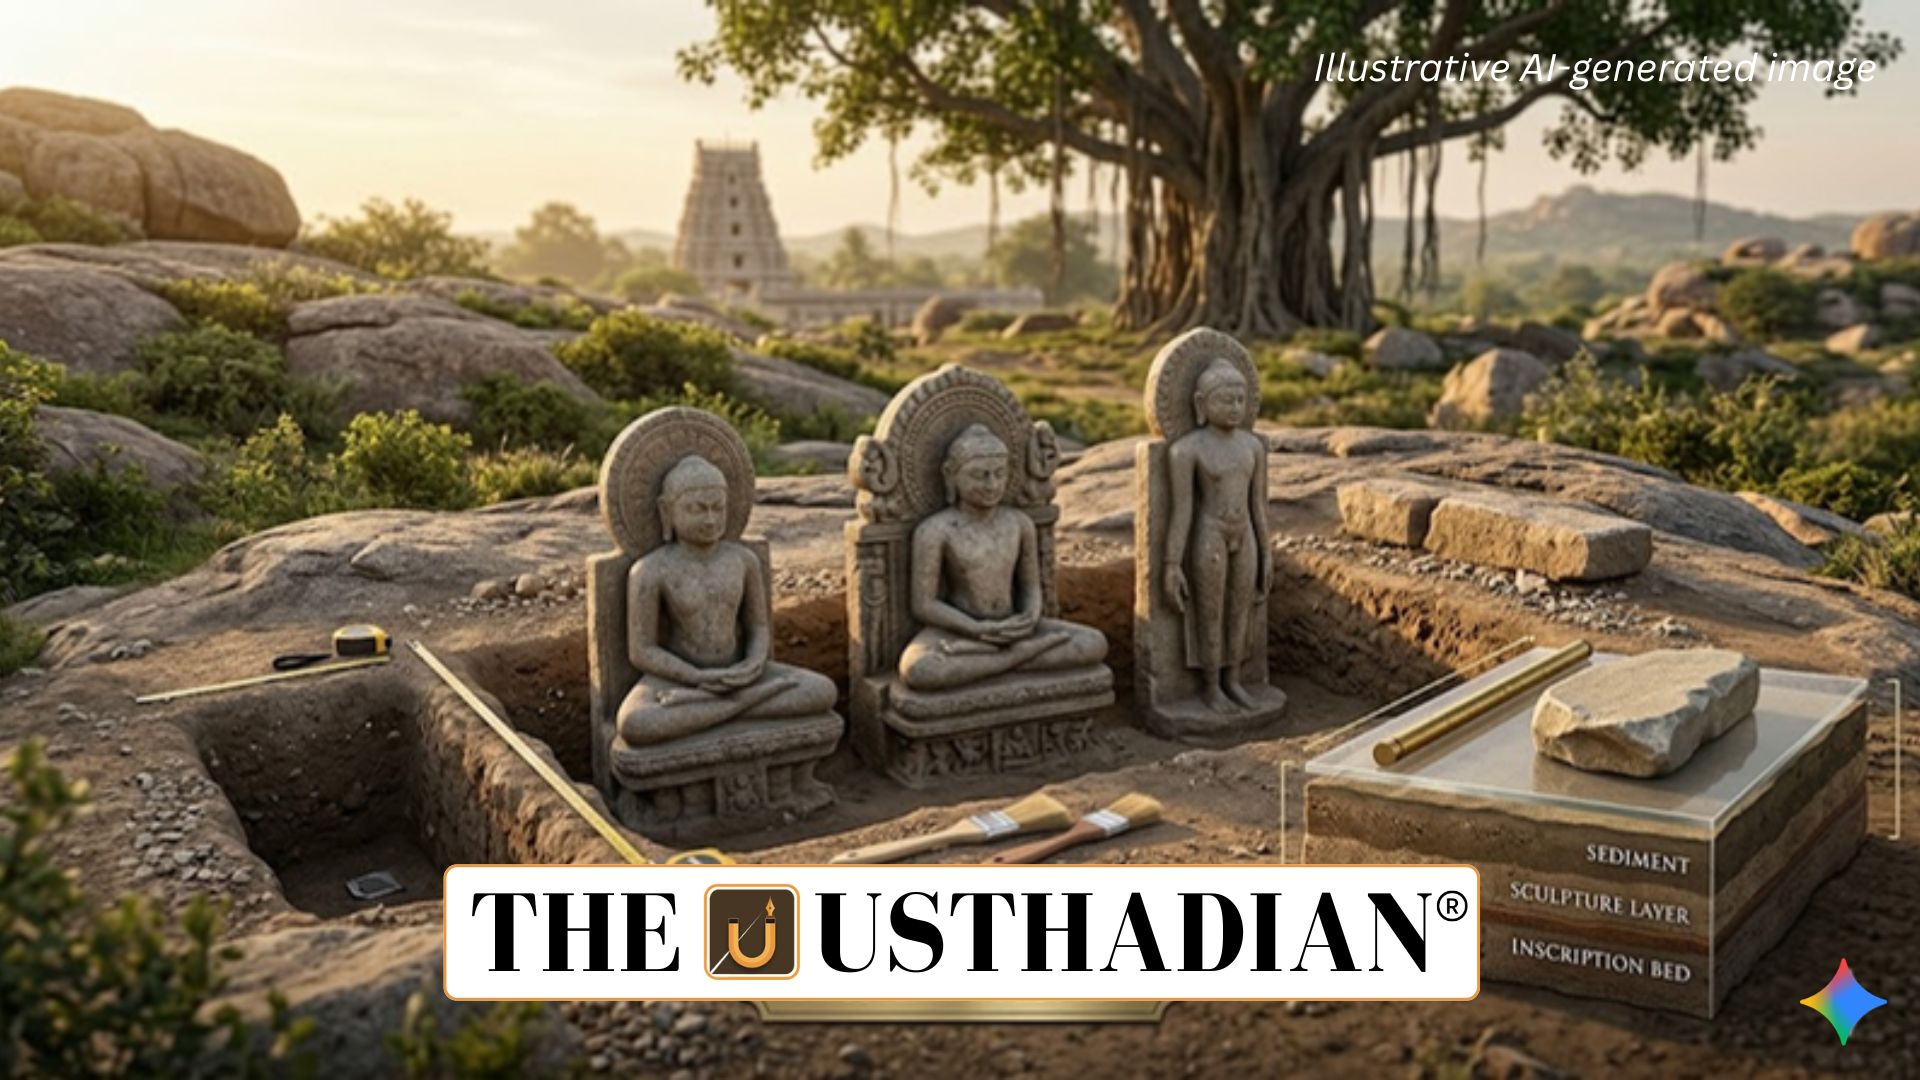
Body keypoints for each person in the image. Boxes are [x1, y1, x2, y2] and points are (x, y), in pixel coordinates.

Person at [618, 455, 835, 745]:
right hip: (679, 680)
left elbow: (758, 627)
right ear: (666, 511)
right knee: (635, 723)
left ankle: (720, 707)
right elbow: (642, 650)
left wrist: (754, 663)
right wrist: (695, 677)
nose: (710, 519)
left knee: (822, 690)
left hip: (737, 675)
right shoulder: (650, 570)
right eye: (697, 509)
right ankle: (746, 704)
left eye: (718, 508)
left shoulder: (743, 561)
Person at [898, 424, 1106, 691]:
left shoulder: (1019, 524)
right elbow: (924, 604)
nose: (991, 485)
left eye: (999, 474)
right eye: (979, 475)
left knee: (1094, 642)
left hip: (1015, 628)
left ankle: (996, 661)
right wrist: (975, 629)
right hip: (959, 631)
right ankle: (1019, 657)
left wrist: (1030, 616)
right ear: (951, 475)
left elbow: (1031, 585)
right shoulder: (935, 530)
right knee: (918, 669)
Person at [1162, 360, 1270, 712]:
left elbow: (1259, 507)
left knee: (1240, 610)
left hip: (1246, 535)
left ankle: (1234, 680)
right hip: (1209, 533)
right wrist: (1171, 564)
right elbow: (1182, 511)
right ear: (1200, 404)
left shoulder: (1253, 447)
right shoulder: (1187, 450)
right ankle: (1210, 686)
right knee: (1209, 612)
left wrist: (1267, 555)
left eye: (1240, 400)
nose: (1235, 408)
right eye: (1225, 400)